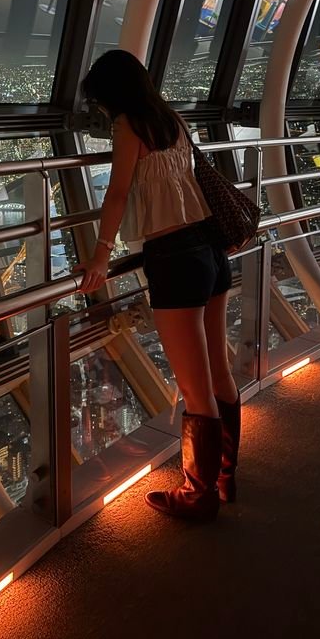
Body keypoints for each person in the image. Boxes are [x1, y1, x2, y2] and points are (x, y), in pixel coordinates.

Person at [78, 50, 240, 522]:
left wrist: (101, 255)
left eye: (101, 104)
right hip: (210, 251)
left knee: (195, 387)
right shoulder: (171, 119)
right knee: (219, 371)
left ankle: (198, 494)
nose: (103, 114)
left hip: (174, 260)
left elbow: (118, 192)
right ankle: (226, 479)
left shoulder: (130, 127)